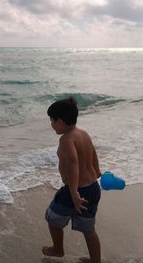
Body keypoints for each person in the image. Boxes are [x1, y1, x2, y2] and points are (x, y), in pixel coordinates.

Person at [43, 97, 102, 263]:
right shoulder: (83, 134)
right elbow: (93, 151)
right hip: (92, 189)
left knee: (52, 217)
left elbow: (73, 164)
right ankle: (95, 261)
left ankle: (58, 249)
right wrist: (97, 170)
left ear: (60, 121)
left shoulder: (66, 140)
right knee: (89, 229)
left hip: (76, 191)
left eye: (52, 121)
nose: (51, 124)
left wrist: (74, 192)